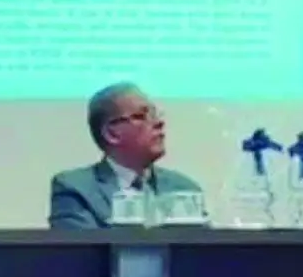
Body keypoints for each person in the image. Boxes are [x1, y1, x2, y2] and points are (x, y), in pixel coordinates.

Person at [48, 82, 203, 229]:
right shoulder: (76, 189)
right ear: (111, 134)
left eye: (155, 114)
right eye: (141, 116)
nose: (159, 123)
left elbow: (204, 245)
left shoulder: (184, 188)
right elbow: (82, 246)